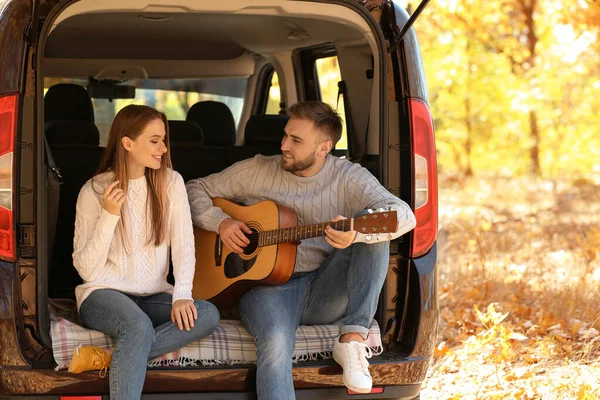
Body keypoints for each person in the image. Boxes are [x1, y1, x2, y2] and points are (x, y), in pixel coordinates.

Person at [186, 101, 416, 399]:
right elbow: (194, 188)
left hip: (323, 289)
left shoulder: (347, 177)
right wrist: (222, 223)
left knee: (374, 229)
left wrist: (356, 232)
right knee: (275, 347)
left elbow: (405, 214)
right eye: (285, 136)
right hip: (267, 290)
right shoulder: (259, 169)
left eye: (296, 140)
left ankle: (352, 339)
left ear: (324, 147)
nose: (283, 145)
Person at [71, 105, 219, 400]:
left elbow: (184, 245)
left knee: (207, 313)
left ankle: (115, 358)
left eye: (164, 139)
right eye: (154, 141)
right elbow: (86, 269)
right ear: (127, 143)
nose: (163, 148)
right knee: (137, 327)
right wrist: (110, 215)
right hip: (102, 292)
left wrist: (181, 295)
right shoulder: (93, 191)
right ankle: (131, 352)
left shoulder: (171, 182)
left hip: (152, 295)